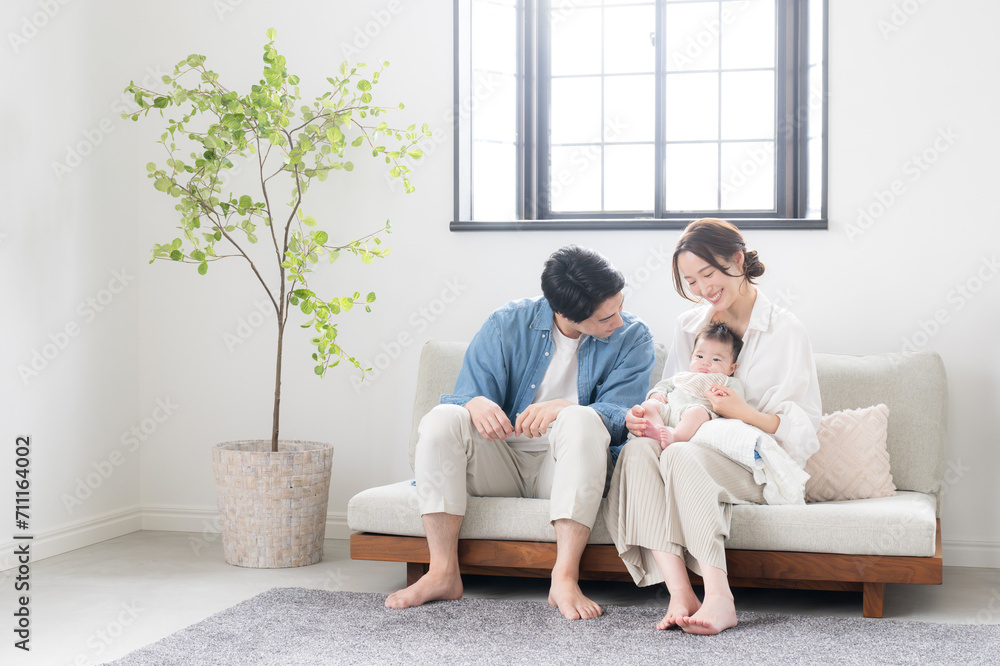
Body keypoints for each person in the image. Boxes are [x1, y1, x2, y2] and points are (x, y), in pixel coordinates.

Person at [386, 245, 655, 620]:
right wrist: (472, 403)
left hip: (568, 468)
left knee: (580, 419)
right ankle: (442, 572)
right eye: (606, 317)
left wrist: (566, 407)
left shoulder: (634, 337)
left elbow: (621, 418)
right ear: (565, 313)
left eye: (620, 307)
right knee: (441, 417)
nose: (619, 322)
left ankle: (564, 578)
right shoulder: (506, 323)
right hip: (500, 463)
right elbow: (465, 396)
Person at [603, 218, 821, 635]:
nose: (703, 288)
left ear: (737, 261)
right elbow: (672, 392)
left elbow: (802, 431)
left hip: (754, 460)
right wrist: (645, 412)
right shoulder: (689, 326)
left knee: (680, 454)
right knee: (637, 450)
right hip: (693, 444)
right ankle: (681, 593)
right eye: (691, 281)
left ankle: (720, 597)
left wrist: (742, 411)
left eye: (708, 274)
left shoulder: (785, 331)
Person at [635, 321, 744, 449]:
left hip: (693, 415)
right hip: (669, 409)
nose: (705, 363)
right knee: (648, 406)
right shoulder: (682, 376)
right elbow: (664, 385)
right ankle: (658, 430)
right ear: (692, 356)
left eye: (716, 359)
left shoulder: (727, 381)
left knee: (697, 412)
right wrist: (656, 393)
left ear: (732, 368)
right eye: (700, 356)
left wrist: (724, 396)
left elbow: (738, 403)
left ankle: (674, 437)